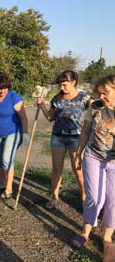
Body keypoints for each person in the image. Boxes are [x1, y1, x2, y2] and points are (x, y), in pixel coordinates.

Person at [71, 75, 115, 259]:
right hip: (93, 156)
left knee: (113, 199)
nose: (101, 97)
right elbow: (86, 131)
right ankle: (85, 231)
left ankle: (107, 236)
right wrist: (78, 153)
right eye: (99, 93)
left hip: (113, 162)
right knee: (94, 198)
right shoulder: (95, 107)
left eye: (105, 93)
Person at [37, 70, 92, 209]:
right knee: (56, 169)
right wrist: (42, 105)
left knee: (78, 170)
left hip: (76, 138)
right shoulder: (56, 99)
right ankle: (54, 197)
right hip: (58, 137)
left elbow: (97, 108)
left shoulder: (84, 98)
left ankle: (85, 199)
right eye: (60, 85)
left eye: (64, 84)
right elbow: (50, 117)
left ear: (73, 82)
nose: (61, 88)